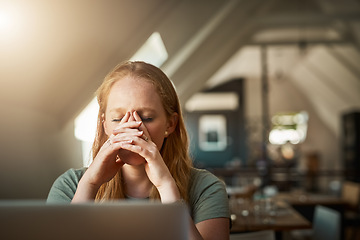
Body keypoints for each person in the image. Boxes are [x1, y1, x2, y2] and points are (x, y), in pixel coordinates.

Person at [47, 61, 230, 240]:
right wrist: (90, 185)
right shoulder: (70, 186)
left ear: (170, 124)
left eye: (147, 118)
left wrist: (166, 186)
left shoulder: (206, 188)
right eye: (118, 119)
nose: (133, 129)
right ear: (105, 125)